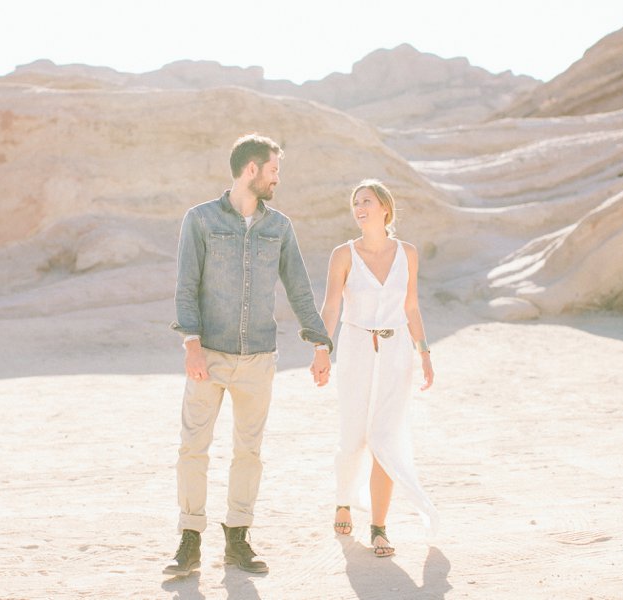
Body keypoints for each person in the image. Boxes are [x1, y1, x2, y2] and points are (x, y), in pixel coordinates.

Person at [164, 134, 333, 576]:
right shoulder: (199, 219)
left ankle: (238, 538)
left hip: (258, 357)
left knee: (249, 453)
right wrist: (192, 345)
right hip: (209, 355)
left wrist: (319, 342)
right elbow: (186, 286)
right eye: (274, 169)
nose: (278, 178)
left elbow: (298, 287)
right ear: (252, 170)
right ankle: (189, 539)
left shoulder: (279, 226)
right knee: (192, 449)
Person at [319, 179, 438, 557]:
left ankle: (379, 526)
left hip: (397, 349)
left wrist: (425, 353)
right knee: (353, 434)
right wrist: (322, 349)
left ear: (385, 207)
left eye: (366, 201)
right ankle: (343, 500)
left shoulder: (408, 253)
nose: (359, 208)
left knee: (385, 437)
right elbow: (332, 307)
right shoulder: (343, 254)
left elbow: (412, 307)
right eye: (355, 203)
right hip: (355, 347)